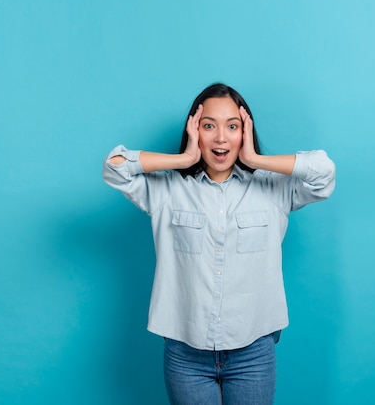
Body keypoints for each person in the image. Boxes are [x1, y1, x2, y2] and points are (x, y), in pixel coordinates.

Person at [102, 83, 336, 405]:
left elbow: (324, 173)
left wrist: (255, 159)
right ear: (194, 130)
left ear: (245, 132)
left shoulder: (274, 189)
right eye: (208, 125)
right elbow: (115, 167)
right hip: (186, 355)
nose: (221, 138)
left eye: (232, 126)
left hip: (253, 354)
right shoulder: (167, 189)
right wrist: (183, 158)